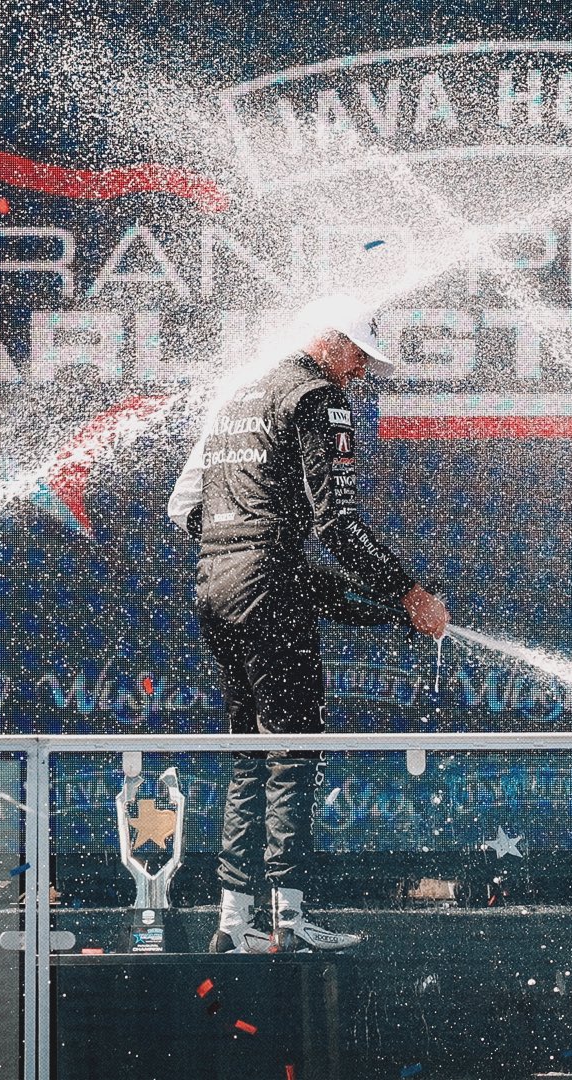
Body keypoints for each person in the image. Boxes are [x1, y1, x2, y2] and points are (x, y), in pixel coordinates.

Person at [169, 295, 449, 953]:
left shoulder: (241, 394)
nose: (360, 372)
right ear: (328, 341)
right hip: (265, 586)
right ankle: (288, 923)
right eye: (357, 355)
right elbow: (338, 525)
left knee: (248, 754)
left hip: (216, 586)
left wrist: (258, 559)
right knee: (293, 750)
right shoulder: (318, 398)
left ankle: (234, 922)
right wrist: (410, 594)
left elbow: (184, 508)